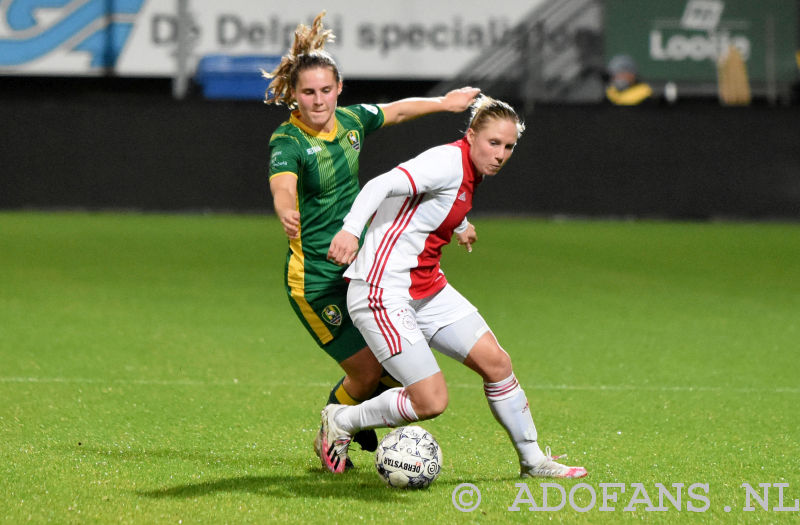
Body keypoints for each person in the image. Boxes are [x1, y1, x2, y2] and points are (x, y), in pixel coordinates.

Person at [321, 95, 588, 479]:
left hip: (427, 289)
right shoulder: (446, 162)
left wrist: (461, 226)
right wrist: (350, 230)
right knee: (430, 401)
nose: (500, 154)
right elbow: (381, 185)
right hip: (382, 290)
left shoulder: (469, 172)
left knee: (497, 364)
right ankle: (341, 419)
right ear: (472, 134)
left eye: (509, 146)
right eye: (493, 143)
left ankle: (533, 462)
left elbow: (434, 207)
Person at [264, 11, 480, 458]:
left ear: (339, 89)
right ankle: (335, 426)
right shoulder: (288, 140)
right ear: (294, 95)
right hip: (317, 281)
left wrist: (446, 102)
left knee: (398, 371)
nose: (319, 100)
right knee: (367, 375)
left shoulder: (352, 121)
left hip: (359, 272)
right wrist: (286, 211)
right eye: (308, 92)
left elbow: (397, 110)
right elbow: (282, 185)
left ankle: (353, 418)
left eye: (326, 90)